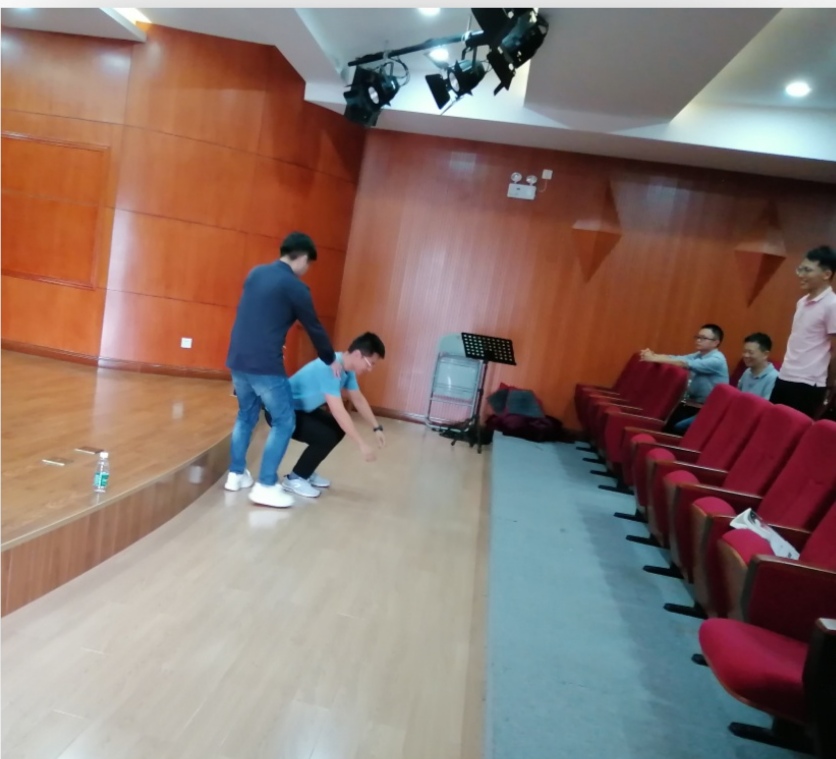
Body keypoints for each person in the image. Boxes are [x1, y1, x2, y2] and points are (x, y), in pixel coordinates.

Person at [225, 232, 341, 509]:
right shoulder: (296, 287)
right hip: (265, 364)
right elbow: (314, 327)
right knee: (284, 421)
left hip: (237, 360)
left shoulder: (256, 273)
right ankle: (266, 485)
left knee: (246, 416)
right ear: (303, 258)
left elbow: (255, 315)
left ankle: (235, 474)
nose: (306, 270)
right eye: (309, 264)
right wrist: (330, 358)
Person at [264, 332, 387, 499]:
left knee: (336, 428)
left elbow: (358, 399)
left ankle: (306, 470)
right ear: (358, 354)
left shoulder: (347, 369)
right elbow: (338, 410)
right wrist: (361, 444)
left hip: (300, 410)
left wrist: (376, 427)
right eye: (370, 363)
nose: (370, 369)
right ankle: (295, 479)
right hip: (280, 413)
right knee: (325, 436)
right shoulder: (330, 367)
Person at [770, 245, 836, 418]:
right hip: (785, 376)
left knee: (794, 431)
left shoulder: (832, 305)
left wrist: (831, 382)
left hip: (808, 383)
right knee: (771, 425)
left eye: (807, 270)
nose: (800, 274)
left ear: (826, 274)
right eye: (800, 269)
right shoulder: (802, 302)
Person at [672, 332, 778, 433]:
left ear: (765, 354)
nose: (746, 355)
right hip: (732, 415)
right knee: (681, 425)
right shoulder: (747, 372)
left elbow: (765, 410)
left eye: (750, 352)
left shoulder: (774, 378)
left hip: (745, 422)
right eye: (744, 351)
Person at [640, 323, 729, 430]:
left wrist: (654, 358)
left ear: (715, 342)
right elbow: (675, 358)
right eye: (697, 337)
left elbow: (684, 364)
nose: (698, 340)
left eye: (703, 338)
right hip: (690, 403)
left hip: (706, 409)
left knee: (677, 428)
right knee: (667, 427)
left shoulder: (717, 360)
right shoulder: (699, 355)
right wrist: (654, 355)